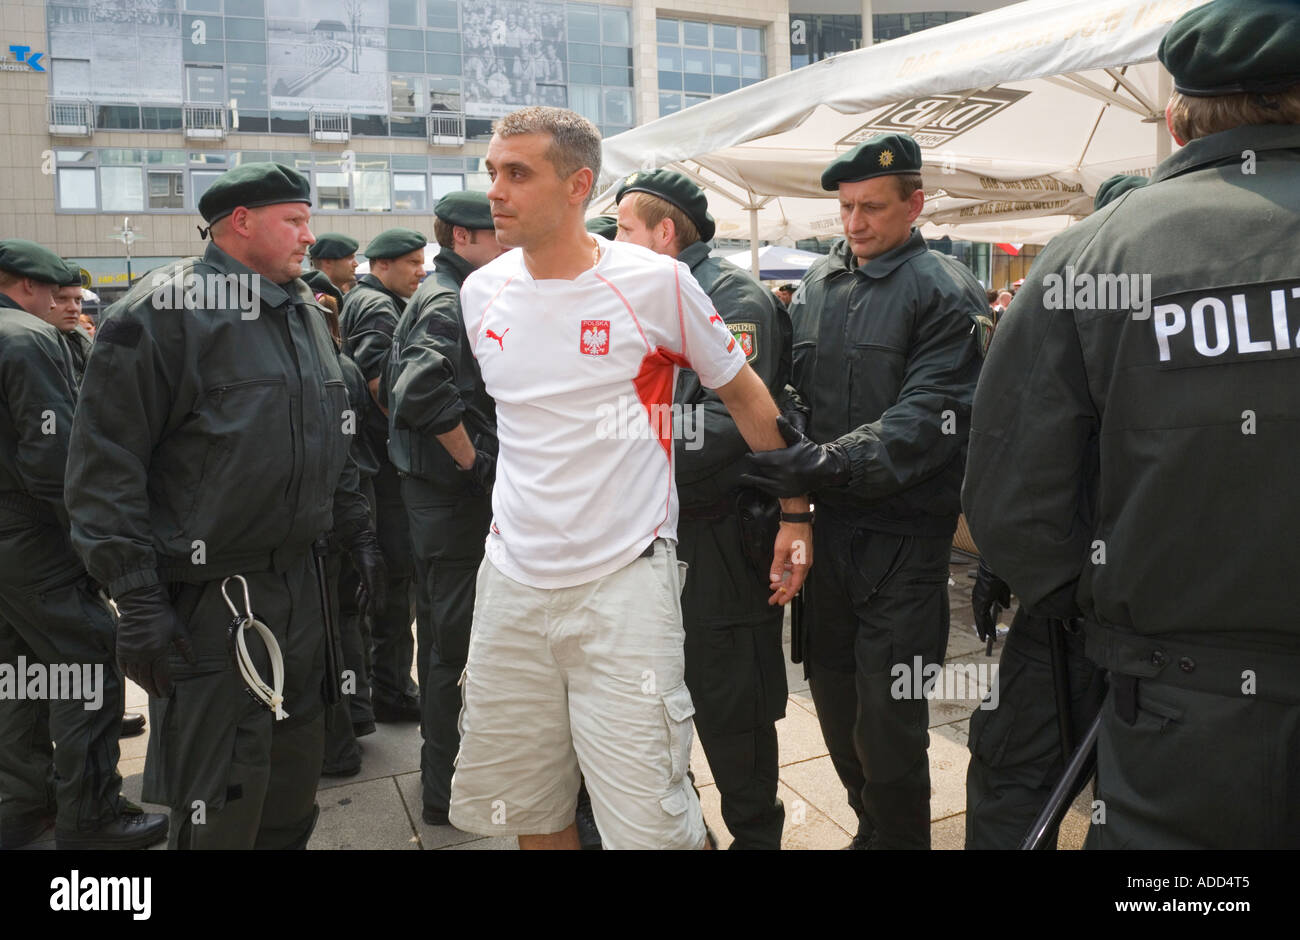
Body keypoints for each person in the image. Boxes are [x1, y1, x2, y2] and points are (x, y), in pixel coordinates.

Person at [963, 0, 1300, 849]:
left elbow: (1014, 505)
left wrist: (1103, 610)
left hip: (1176, 719)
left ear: (1178, 117)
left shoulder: (1092, 256)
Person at [448, 106, 811, 850]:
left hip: (624, 587)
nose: (496, 191)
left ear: (578, 184)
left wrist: (796, 514)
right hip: (511, 585)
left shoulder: (655, 284)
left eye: (518, 173)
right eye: (492, 172)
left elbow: (745, 396)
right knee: (530, 806)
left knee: (647, 822)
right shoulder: (480, 293)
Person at [65, 163, 386, 849]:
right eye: (293, 220)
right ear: (240, 222)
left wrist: (356, 533)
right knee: (220, 794)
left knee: (292, 783)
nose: (310, 234)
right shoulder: (162, 313)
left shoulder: (302, 308)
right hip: (214, 598)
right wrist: (137, 598)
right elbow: (104, 467)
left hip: (302, 583)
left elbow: (333, 432)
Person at [742, 132, 986, 850]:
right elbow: (790, 393)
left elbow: (934, 413)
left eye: (872, 208)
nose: (855, 224)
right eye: (846, 208)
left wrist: (829, 462)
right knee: (837, 704)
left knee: (890, 726)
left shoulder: (944, 289)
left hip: (903, 544)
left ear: (915, 203)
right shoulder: (820, 282)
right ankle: (873, 830)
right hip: (828, 530)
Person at [614, 169, 791, 849]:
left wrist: (617, 450)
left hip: (718, 543)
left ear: (664, 232)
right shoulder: (642, 295)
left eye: (626, 229)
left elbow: (727, 424)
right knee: (659, 709)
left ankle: (756, 837)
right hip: (653, 538)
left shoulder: (730, 296)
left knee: (733, 714)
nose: (615, 244)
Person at [0, 238, 168, 850]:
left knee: (19, 677)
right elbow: (54, 460)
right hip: (36, 537)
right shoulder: (27, 339)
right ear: (27, 287)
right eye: (56, 293)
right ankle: (92, 817)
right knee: (86, 667)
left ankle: (22, 807)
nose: (64, 304)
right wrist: (94, 543)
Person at [383, 191, 502, 826]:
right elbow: (419, 389)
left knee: (442, 641)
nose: (507, 242)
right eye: (494, 234)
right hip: (451, 504)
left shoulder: (448, 291)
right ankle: (447, 792)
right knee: (454, 648)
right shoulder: (451, 298)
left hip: (435, 500)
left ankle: (444, 788)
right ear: (461, 237)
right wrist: (473, 462)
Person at [339, 229, 428, 725]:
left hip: (375, 459)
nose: (420, 270)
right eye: (411, 263)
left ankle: (385, 684)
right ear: (383, 265)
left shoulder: (368, 298)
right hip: (387, 464)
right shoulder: (378, 307)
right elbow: (380, 381)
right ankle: (391, 688)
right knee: (396, 580)